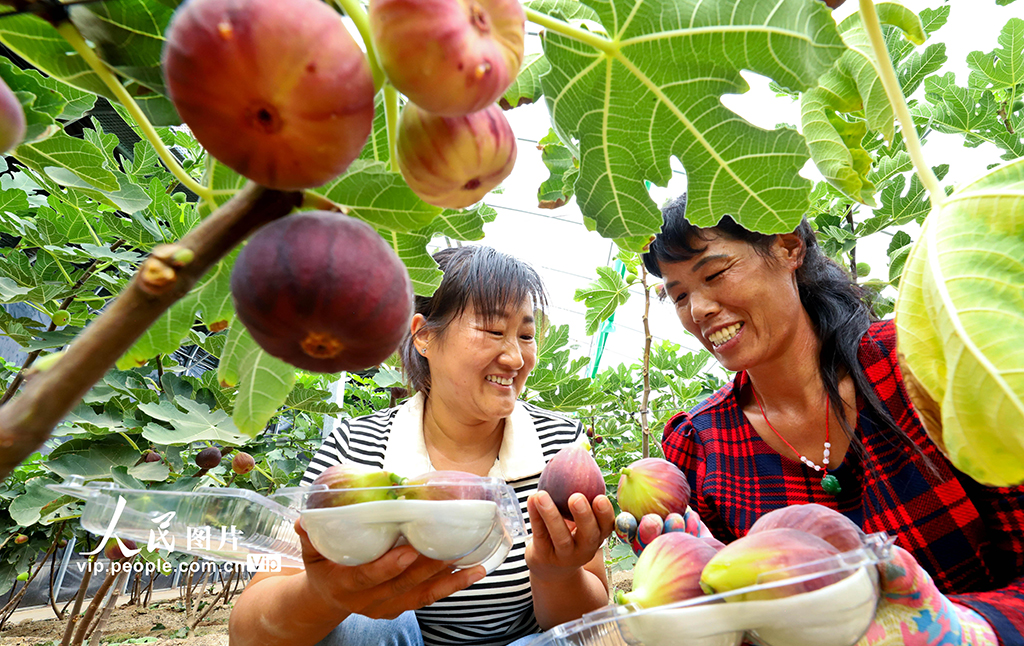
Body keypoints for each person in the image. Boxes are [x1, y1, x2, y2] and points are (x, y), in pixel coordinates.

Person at [641, 194, 1024, 644]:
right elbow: (744, 625)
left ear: (788, 249)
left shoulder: (924, 366)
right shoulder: (703, 446)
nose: (699, 309)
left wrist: (971, 631)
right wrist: (695, 596)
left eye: (716, 273)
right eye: (680, 295)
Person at [229, 246, 615, 646]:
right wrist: (322, 596)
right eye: (495, 331)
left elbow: (590, 627)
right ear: (424, 336)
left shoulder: (560, 446)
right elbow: (247, 633)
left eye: (527, 335)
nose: (516, 357)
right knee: (368, 625)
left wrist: (558, 574)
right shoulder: (356, 449)